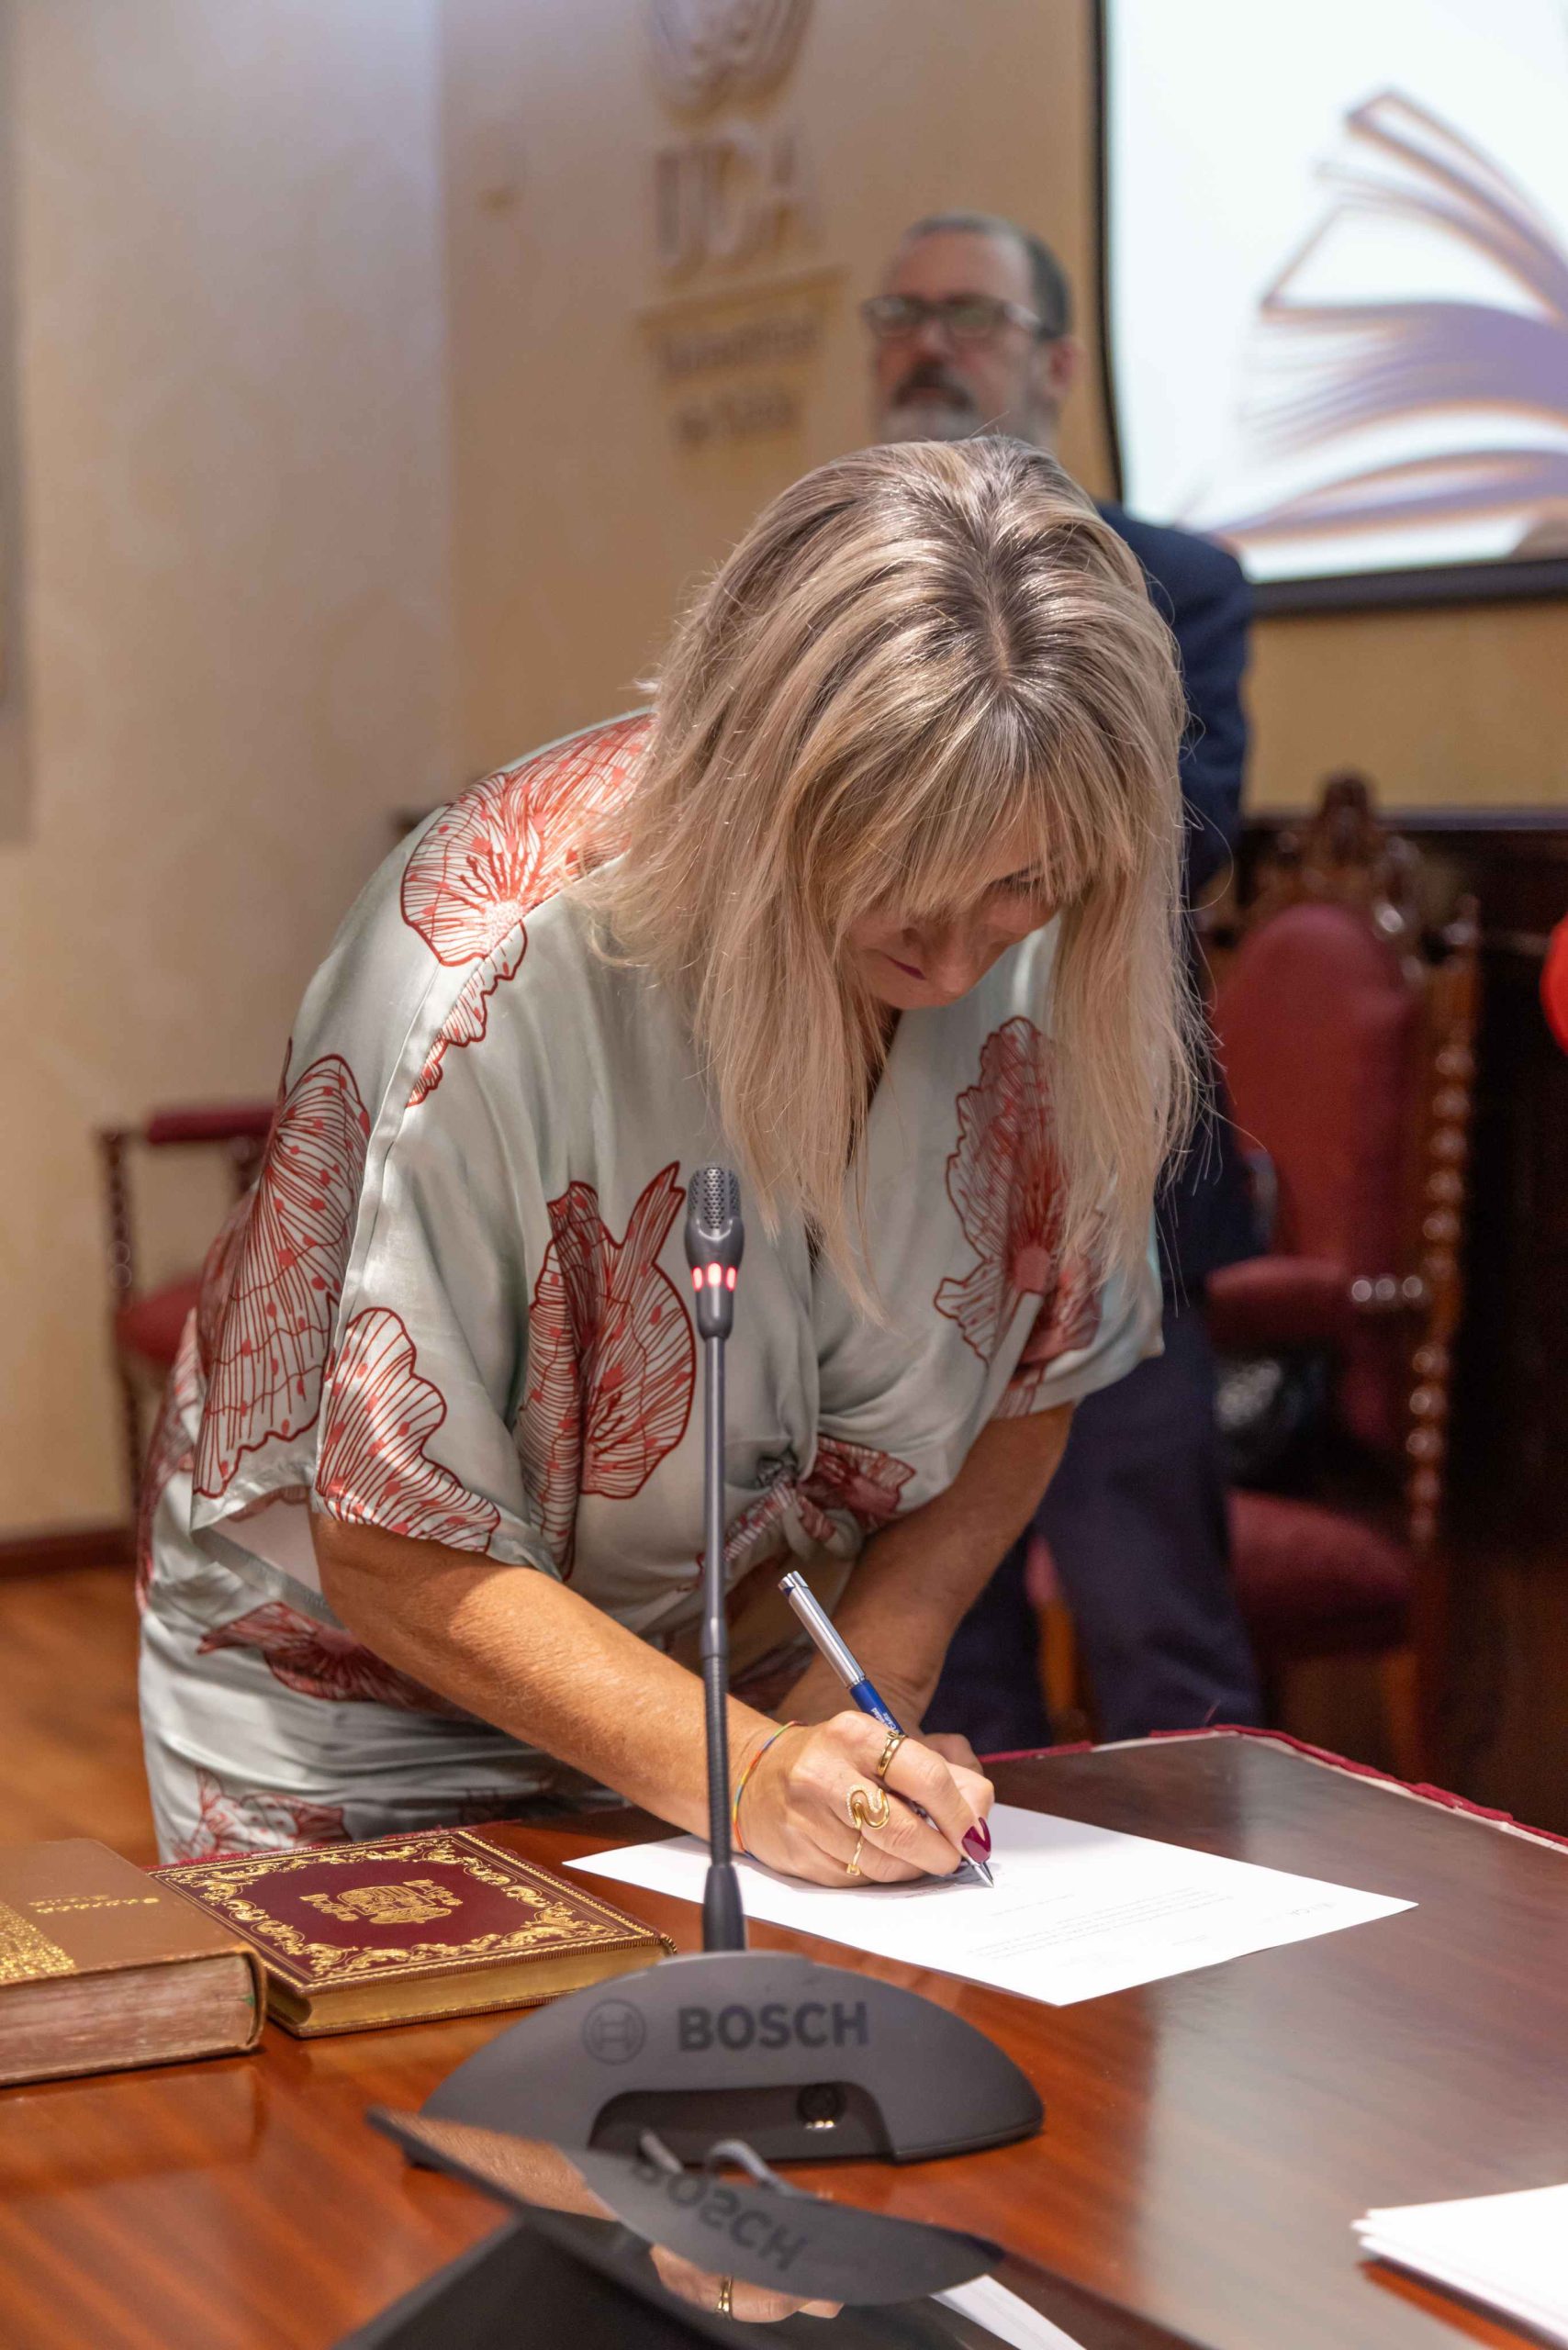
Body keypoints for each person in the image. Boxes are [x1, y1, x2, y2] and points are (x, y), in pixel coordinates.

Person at [139, 437, 1193, 1879]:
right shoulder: (485, 976)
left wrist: (868, 1679)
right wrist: (745, 1773)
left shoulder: (1060, 943)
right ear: (768, 787)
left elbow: (1037, 1372)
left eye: (1021, 886)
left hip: (757, 1696)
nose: (958, 962)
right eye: (896, 879)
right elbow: (385, 1542)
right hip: (367, 1711)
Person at [867, 211, 1262, 1748]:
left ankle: (1221, 1895)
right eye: (901, 312)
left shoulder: (1177, 583)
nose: (928, 342)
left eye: (969, 314)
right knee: (938, 1644)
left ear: (1058, 364)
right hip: (887, 1198)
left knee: (1157, 1628)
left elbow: (1185, 837)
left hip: (1103, 1174)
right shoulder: (833, 598)